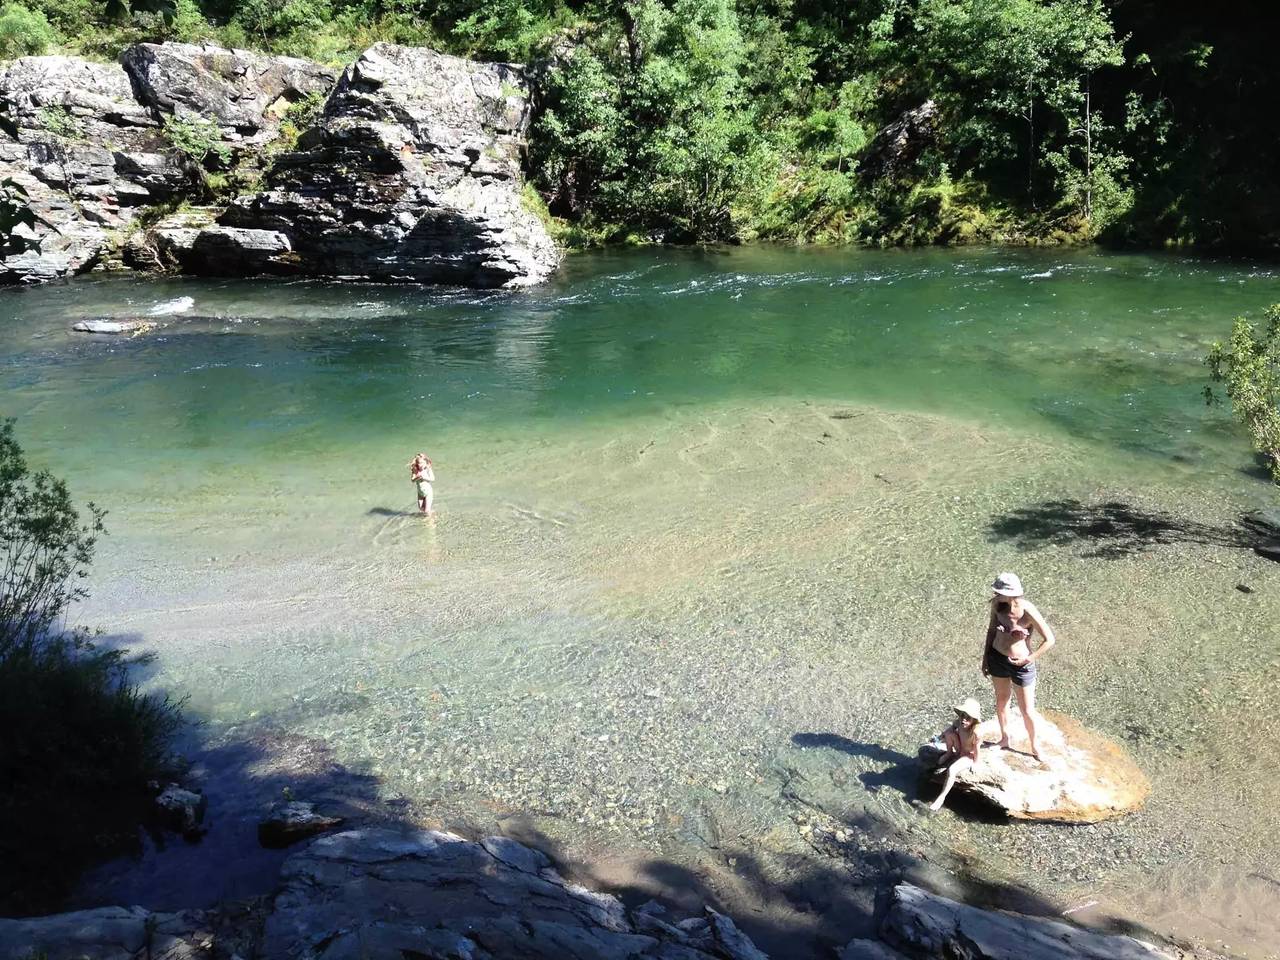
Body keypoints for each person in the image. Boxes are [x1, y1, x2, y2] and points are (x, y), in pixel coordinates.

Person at [981, 572, 1056, 761]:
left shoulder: (1027, 610)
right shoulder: (997, 604)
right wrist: (985, 658)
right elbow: (991, 630)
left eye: (999, 592)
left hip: (1021, 664)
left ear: (1012, 593)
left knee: (1027, 710)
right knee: (1001, 701)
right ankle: (1004, 738)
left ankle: (1035, 746)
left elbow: (1050, 639)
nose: (995, 594)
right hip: (997, 657)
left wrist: (1029, 659)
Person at [928, 697, 982, 811]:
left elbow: (977, 749)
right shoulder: (958, 723)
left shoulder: (976, 733)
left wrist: (976, 763)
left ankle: (941, 797)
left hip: (968, 755)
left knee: (952, 770)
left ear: (974, 720)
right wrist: (939, 738)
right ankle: (949, 753)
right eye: (962, 716)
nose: (964, 720)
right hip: (959, 749)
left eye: (968, 718)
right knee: (949, 733)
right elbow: (949, 730)